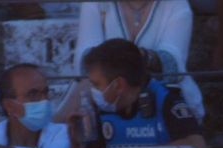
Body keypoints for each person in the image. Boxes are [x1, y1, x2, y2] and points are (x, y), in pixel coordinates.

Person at [68, 0, 204, 121]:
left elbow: (171, 65)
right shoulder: (94, 3)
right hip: (107, 99)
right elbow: (83, 63)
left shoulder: (177, 4)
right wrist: (134, 59)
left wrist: (116, 59)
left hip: (164, 105)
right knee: (83, 90)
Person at [75, 38, 205, 148]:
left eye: (96, 85)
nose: (93, 91)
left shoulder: (165, 99)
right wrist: (75, 144)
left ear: (118, 85)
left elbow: (198, 145)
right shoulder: (98, 109)